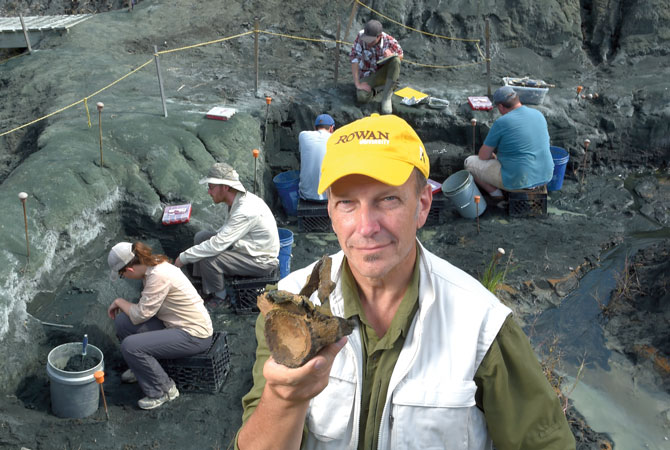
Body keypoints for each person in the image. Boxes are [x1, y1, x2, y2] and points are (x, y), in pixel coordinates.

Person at [236, 114, 575, 449]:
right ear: (331, 214)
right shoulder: (289, 308)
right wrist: (283, 399)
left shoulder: (481, 326)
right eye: (347, 204)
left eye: (388, 200)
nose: (366, 227)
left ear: (423, 204)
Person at [107, 241, 213, 410]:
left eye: (122, 275)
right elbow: (142, 313)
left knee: (131, 346)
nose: (124, 278)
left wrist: (119, 301)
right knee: (122, 322)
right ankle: (141, 368)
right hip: (174, 324)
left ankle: (164, 390)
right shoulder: (152, 265)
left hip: (194, 335)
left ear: (129, 270)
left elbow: (140, 315)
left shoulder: (158, 276)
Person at [174, 162, 280, 302]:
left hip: (261, 260)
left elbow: (217, 245)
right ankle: (206, 283)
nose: (209, 192)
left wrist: (182, 259)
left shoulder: (245, 211)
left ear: (225, 187)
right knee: (201, 237)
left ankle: (220, 297)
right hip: (248, 247)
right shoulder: (235, 202)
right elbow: (224, 232)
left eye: (211, 187)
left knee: (209, 258)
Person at [464, 86, 554, 202]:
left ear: (501, 106)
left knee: (469, 163)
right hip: (545, 175)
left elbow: (483, 156)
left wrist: (491, 156)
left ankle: (497, 196)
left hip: (519, 180)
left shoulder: (502, 122)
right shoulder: (538, 114)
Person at [350, 19, 403, 115]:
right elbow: (354, 58)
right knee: (361, 96)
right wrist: (357, 84)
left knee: (395, 60)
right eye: (366, 39)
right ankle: (380, 88)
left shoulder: (389, 40)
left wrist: (391, 55)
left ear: (379, 37)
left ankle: (386, 97)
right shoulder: (361, 36)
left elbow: (401, 55)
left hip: (383, 73)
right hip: (368, 75)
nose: (367, 42)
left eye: (370, 40)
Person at [299, 114, 335, 202]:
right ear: (331, 128)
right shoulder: (335, 138)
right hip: (329, 197)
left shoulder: (302, 135)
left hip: (306, 195)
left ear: (315, 128)